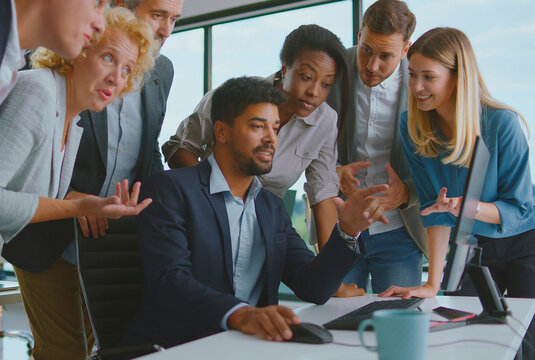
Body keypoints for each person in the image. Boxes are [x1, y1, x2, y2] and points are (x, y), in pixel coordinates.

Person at [0, 8, 155, 360]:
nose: (117, 77)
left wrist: (90, 203)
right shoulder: (38, 92)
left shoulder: (73, 123)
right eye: (108, 58)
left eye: (127, 69)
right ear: (81, 51)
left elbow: (20, 193)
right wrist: (76, 207)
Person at [123, 77, 390, 347]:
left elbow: (314, 287)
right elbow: (169, 280)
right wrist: (240, 314)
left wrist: (347, 231)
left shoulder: (271, 207)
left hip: (251, 347)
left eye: (274, 128)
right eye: (257, 126)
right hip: (177, 347)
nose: (271, 139)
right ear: (221, 132)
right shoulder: (168, 190)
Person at [0, 0, 181, 359]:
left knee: (93, 347)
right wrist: (72, 198)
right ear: (120, 7)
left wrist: (169, 206)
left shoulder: (163, 72)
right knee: (63, 352)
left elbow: (148, 151)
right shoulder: (65, 48)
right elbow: (21, 145)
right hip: (46, 231)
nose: (166, 30)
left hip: (108, 240)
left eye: (174, 20)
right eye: (158, 14)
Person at [163, 25, 367, 296]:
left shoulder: (325, 123)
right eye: (306, 77)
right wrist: (214, 204)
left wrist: (334, 278)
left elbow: (323, 194)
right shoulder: (236, 97)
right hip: (205, 213)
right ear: (285, 67)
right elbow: (180, 147)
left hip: (265, 216)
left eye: (326, 84)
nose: (314, 92)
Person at [379, 27, 535, 358]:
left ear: (457, 77)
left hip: (526, 240)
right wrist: (433, 283)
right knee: (465, 334)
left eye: (428, 77)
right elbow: (435, 213)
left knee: (526, 339)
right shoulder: (414, 130)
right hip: (472, 245)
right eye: (412, 75)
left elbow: (520, 208)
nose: (417, 87)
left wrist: (469, 207)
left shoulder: (502, 124)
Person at [325, 0, 427, 293]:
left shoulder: (422, 85)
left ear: (406, 49)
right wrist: (336, 171)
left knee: (397, 326)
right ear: (360, 34)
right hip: (340, 225)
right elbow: (307, 141)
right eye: (367, 49)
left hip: (399, 231)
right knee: (332, 322)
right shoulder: (333, 72)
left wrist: (407, 191)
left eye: (386, 56)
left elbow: (441, 160)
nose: (372, 65)